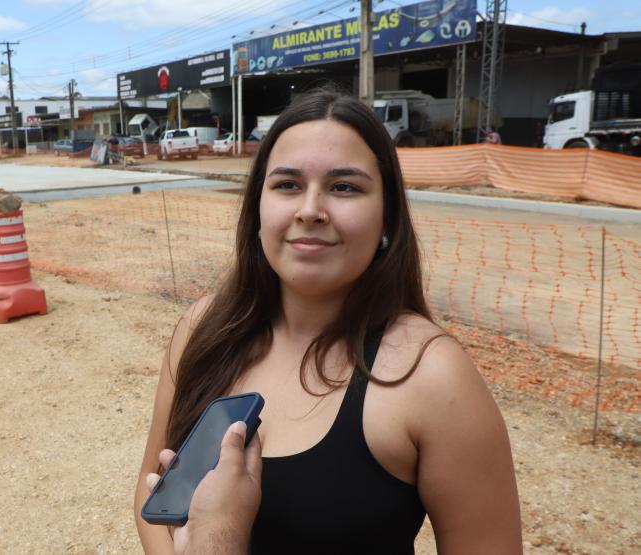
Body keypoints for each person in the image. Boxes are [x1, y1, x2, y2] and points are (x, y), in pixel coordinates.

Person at [134, 86, 522, 554]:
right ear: (257, 208)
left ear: (388, 219)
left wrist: (219, 539)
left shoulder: (433, 376)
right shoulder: (202, 329)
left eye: (344, 187)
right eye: (287, 185)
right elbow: (151, 492)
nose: (310, 210)